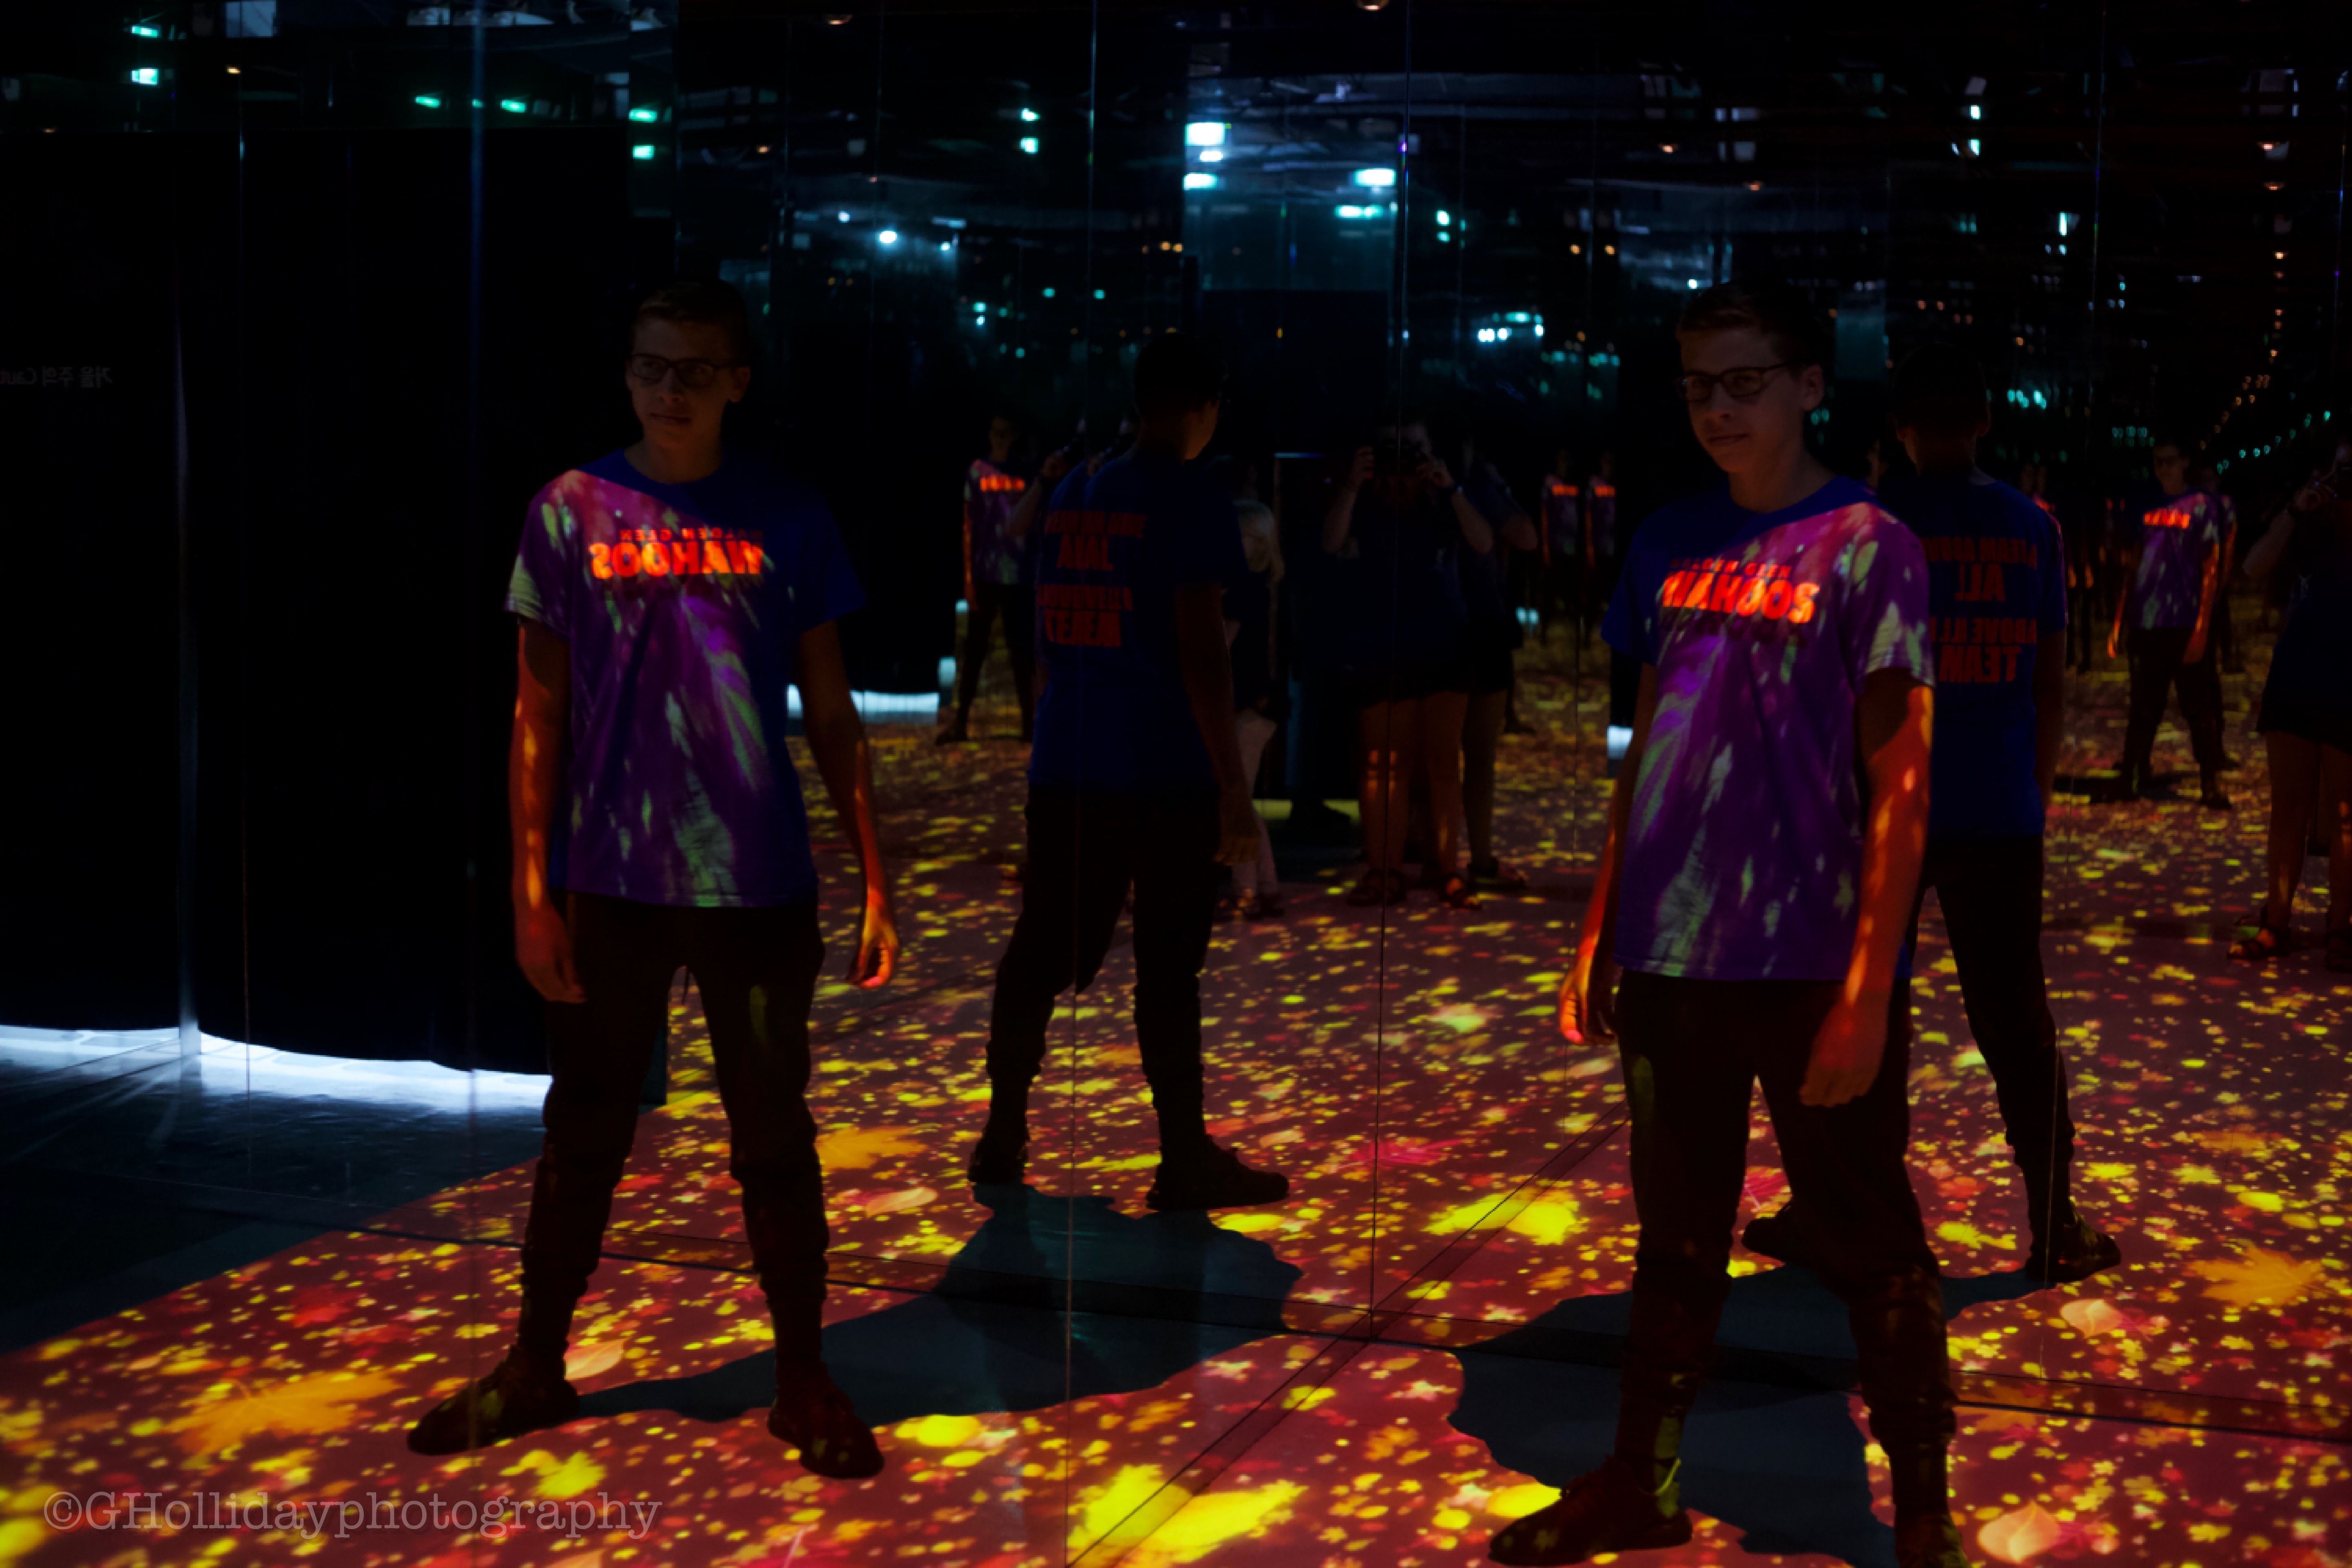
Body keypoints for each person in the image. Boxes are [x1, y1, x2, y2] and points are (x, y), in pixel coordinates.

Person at [1500, 281, 1963, 1568]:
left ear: (1812, 385)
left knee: (1872, 1240)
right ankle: (1641, 1478)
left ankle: (1922, 1511)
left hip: (1808, 952)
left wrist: (1869, 985)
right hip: (1674, 949)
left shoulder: (1871, 544)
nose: (1717, 407)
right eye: (1699, 384)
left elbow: (1903, 781)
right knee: (1677, 1235)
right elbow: (1649, 743)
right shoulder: (1668, 537)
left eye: (1744, 380)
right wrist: (1601, 923)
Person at [406, 279, 901, 1479]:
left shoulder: (789, 513)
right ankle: (536, 1360)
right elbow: (535, 713)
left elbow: (832, 710)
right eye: (649, 367)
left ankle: (802, 1372)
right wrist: (531, 889)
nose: (667, 391)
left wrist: (876, 875)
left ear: (738, 380)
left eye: (692, 370)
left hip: (758, 881)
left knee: (773, 1135)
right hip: (614, 879)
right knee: (581, 1133)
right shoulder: (569, 509)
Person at [1743, 345, 2118, 1290]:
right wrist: (2031, 790)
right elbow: (2046, 680)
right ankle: (2052, 1221)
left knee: (1868, 1005)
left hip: (1880, 808)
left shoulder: (1866, 526)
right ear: (1985, 421)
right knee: (2014, 1023)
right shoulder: (2030, 527)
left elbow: (1828, 683)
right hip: (1998, 808)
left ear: (1898, 429)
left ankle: (1848, 1218)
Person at [966, 335, 1288, 1210]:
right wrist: (1233, 788)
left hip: (1071, 762)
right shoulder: (1191, 495)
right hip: (1163, 767)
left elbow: (1047, 637)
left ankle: (1004, 1129)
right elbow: (1202, 651)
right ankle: (1182, 1157)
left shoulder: (1076, 490)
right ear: (1203, 410)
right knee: (1169, 970)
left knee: (1041, 952)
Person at [1324, 419, 1491, 908]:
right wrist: (1353, 484)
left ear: (1431, 452)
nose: (1403, 458)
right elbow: (1330, 543)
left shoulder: (1443, 500)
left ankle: (1448, 869)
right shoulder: (1364, 499)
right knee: (1382, 765)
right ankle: (1384, 870)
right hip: (1379, 645)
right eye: (1391, 447)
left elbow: (1483, 542)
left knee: (1443, 762)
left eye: (1414, 448)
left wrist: (1450, 487)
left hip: (1444, 644)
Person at [2230, 440, 2352, 971]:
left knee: (2345, 816)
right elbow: (2254, 567)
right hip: (2297, 676)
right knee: (2289, 809)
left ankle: (2341, 927)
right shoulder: (2307, 523)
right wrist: (2295, 510)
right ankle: (2276, 920)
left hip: (2348, 681)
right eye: (2337, 472)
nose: (2341, 483)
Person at [2105, 441, 2230, 808]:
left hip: (2184, 619)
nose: (2164, 468)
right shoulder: (2145, 504)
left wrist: (2203, 625)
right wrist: (2120, 620)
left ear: (2185, 462)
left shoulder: (2202, 505)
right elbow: (2133, 563)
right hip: (2148, 620)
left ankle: (2210, 781)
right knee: (2144, 705)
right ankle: (2130, 776)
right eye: (2158, 462)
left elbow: (2210, 565)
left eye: (2171, 461)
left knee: (2198, 706)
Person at [1456, 435, 1540, 891]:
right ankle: (1475, 858)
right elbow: (1525, 536)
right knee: (1473, 756)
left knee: (1446, 757)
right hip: (1473, 626)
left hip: (1469, 628)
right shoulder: (1478, 487)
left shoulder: (1467, 488)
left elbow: (1524, 538)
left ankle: (1433, 855)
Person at [939, 413, 1036, 744]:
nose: (1000, 438)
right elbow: (969, 525)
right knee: (976, 651)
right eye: (996, 432)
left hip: (1016, 573)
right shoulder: (977, 471)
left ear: (1013, 436)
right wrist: (969, 578)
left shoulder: (1024, 472)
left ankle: (1029, 724)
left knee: (1020, 651)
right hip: (986, 571)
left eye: (1005, 433)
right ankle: (962, 722)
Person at [1219, 457, 1287, 919]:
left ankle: (1249, 890)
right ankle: (1265, 886)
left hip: (1247, 708)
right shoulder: (1263, 588)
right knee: (1242, 798)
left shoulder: (1241, 590)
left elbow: (1223, 644)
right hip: (1259, 708)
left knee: (1238, 800)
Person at [2192, 463, 2245, 676]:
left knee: (2221, 611)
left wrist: (2226, 569)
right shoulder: (2197, 504)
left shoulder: (2224, 503)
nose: (2208, 484)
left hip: (2218, 561)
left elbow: (2230, 535)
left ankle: (2225, 656)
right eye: (2204, 480)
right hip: (2200, 564)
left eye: (2211, 479)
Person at [1539, 451, 1584, 640]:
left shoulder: (1575, 484)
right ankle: (1544, 632)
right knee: (1549, 592)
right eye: (1563, 459)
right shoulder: (1550, 483)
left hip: (1571, 548)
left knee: (1572, 592)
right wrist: (1546, 548)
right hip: (1555, 546)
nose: (1566, 464)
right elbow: (1545, 516)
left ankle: (1575, 635)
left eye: (1568, 459)